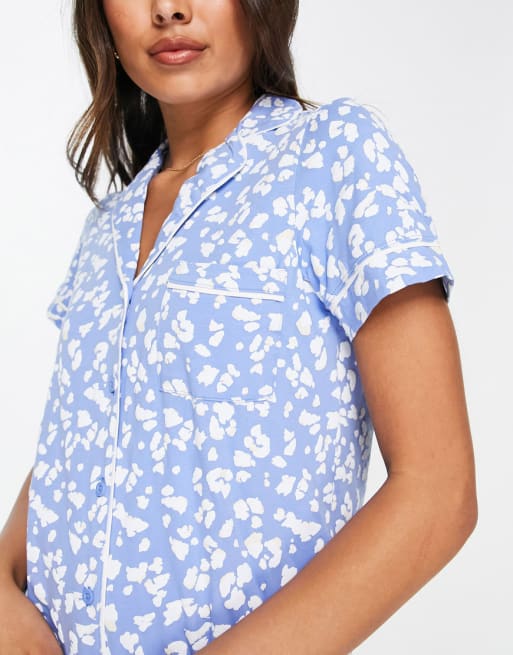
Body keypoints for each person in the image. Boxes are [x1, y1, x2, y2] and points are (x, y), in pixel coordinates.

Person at [0, 1, 478, 654]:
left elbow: (438, 492)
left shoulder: (333, 157)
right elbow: (87, 436)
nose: (168, 9)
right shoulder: (106, 224)